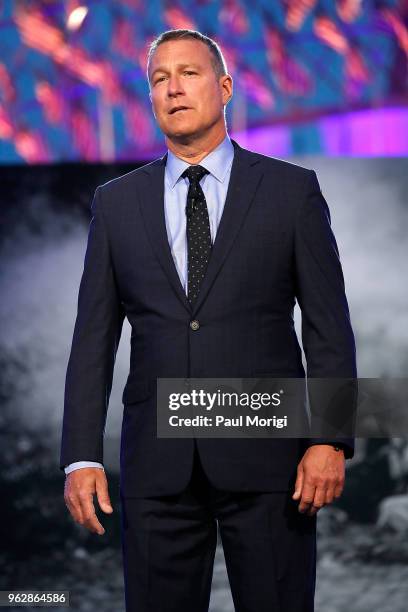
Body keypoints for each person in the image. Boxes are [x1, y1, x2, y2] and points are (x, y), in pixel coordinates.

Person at [61, 29, 357, 612]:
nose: (173, 88)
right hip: (156, 470)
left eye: (188, 74)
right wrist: (81, 454)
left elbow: (329, 325)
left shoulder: (291, 191)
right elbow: (93, 339)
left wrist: (330, 438)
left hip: (269, 458)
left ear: (224, 88)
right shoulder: (116, 203)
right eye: (158, 79)